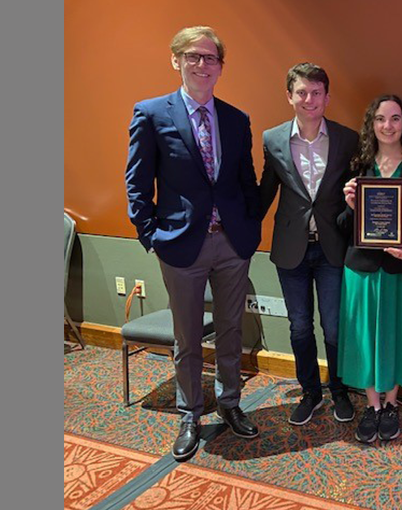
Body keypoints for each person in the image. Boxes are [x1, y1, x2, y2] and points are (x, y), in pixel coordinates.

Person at [125, 26, 262, 462]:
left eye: (210, 58)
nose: (201, 64)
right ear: (176, 60)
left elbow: (246, 182)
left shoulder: (237, 119)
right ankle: (190, 414)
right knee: (186, 338)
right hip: (181, 246)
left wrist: (250, 231)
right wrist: (151, 236)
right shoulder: (151, 113)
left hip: (232, 245)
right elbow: (137, 183)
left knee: (231, 330)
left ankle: (230, 402)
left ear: (221, 66)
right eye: (192, 56)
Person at [261, 63, 359, 426]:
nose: (309, 99)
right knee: (299, 326)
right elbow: (266, 190)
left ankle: (339, 390)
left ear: (327, 97)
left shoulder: (347, 139)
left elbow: (356, 196)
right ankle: (310, 392)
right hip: (291, 248)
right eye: (301, 92)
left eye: (316, 92)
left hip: (332, 247)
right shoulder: (272, 139)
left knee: (333, 327)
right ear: (290, 96)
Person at [337, 95, 402, 443]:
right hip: (362, 270)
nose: (388, 126)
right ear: (372, 124)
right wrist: (351, 206)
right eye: (380, 119)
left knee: (397, 335)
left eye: (395, 118)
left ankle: (392, 403)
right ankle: (372, 405)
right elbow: (342, 226)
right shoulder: (358, 167)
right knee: (364, 338)